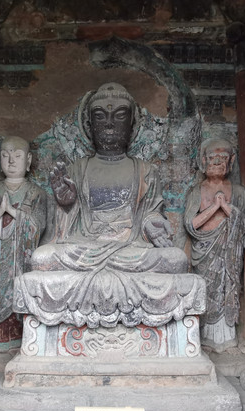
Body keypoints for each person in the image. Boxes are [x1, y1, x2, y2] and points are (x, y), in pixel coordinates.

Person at [30, 82, 187, 274]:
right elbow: (62, 230)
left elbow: (150, 213)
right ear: (89, 124)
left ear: (132, 123)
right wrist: (67, 205)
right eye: (100, 116)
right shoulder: (75, 170)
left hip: (131, 249)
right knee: (42, 257)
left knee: (175, 259)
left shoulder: (146, 171)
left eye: (120, 115)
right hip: (85, 249)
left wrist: (151, 224)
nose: (109, 123)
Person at [0, 136, 47, 343]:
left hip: (22, 258)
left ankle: (22, 339)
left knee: (22, 289)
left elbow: (40, 225)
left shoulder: (36, 193)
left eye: (17, 156)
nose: (11, 161)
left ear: (28, 160)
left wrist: (15, 213)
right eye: (5, 155)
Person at [184, 138, 245, 352]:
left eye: (223, 157)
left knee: (228, 290)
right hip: (204, 252)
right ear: (203, 161)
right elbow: (191, 224)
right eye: (213, 157)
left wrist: (226, 207)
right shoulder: (197, 191)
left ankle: (228, 339)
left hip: (229, 252)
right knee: (206, 291)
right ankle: (206, 340)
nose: (218, 162)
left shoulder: (239, 192)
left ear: (231, 161)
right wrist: (215, 207)